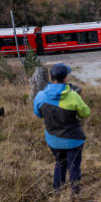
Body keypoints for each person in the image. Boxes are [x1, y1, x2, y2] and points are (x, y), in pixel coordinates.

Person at [34, 64, 90, 194]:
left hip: (53, 140)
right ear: (65, 78)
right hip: (73, 140)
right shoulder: (73, 96)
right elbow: (85, 113)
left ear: (51, 78)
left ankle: (57, 190)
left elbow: (37, 114)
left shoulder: (40, 96)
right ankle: (75, 192)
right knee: (74, 165)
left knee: (60, 162)